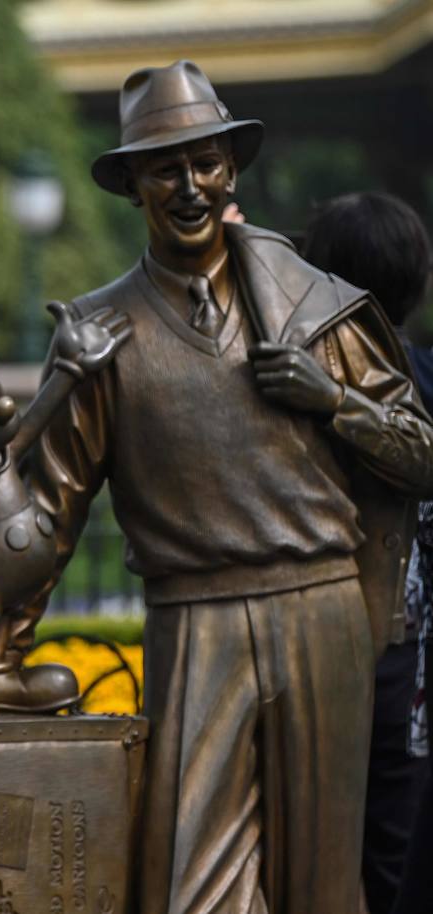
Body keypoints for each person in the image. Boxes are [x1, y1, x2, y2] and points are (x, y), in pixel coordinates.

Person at [21, 61, 433, 912]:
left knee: (322, 883)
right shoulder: (101, 334)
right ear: (132, 182)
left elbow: (421, 456)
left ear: (232, 170)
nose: (190, 186)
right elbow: (48, 510)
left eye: (206, 163)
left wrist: (337, 401)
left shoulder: (320, 308)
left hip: (322, 608)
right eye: (166, 167)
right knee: (189, 883)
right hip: (195, 617)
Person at [301, 191, 433, 914]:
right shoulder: (424, 378)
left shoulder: (298, 386)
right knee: (395, 855)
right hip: (406, 657)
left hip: (334, 644)